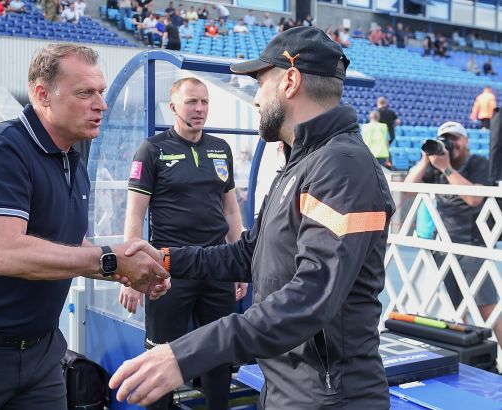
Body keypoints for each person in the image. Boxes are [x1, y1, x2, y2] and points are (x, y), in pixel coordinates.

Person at [110, 26, 395, 409]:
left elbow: (311, 297)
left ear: (290, 81)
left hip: (329, 396)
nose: (256, 98)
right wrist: (163, 259)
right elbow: (248, 253)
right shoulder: (302, 162)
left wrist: (185, 354)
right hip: (287, 388)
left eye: (260, 83)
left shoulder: (343, 166)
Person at [0, 43, 169, 410]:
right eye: (85, 93)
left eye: (101, 92)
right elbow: (6, 253)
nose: (101, 104)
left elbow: (70, 244)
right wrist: (111, 260)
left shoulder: (72, 161)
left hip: (42, 353)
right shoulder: (1, 148)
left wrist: (128, 268)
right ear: (42, 94)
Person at [120, 77, 246, 410]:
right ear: (173, 106)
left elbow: (231, 210)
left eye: (204, 102)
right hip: (168, 269)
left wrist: (241, 263)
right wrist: (131, 273)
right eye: (191, 102)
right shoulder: (152, 150)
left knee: (220, 351)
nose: (199, 108)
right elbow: (135, 215)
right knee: (160, 354)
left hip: (217, 265)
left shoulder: (221, 148)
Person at [403, 121, 501, 345]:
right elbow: (406, 191)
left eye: (455, 138)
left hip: (473, 246)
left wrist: (446, 168)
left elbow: (474, 199)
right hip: (444, 247)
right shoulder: (435, 166)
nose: (450, 143)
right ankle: (464, 355)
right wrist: (425, 161)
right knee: (455, 310)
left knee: (488, 308)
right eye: (445, 139)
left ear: (466, 141)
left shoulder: (478, 163)